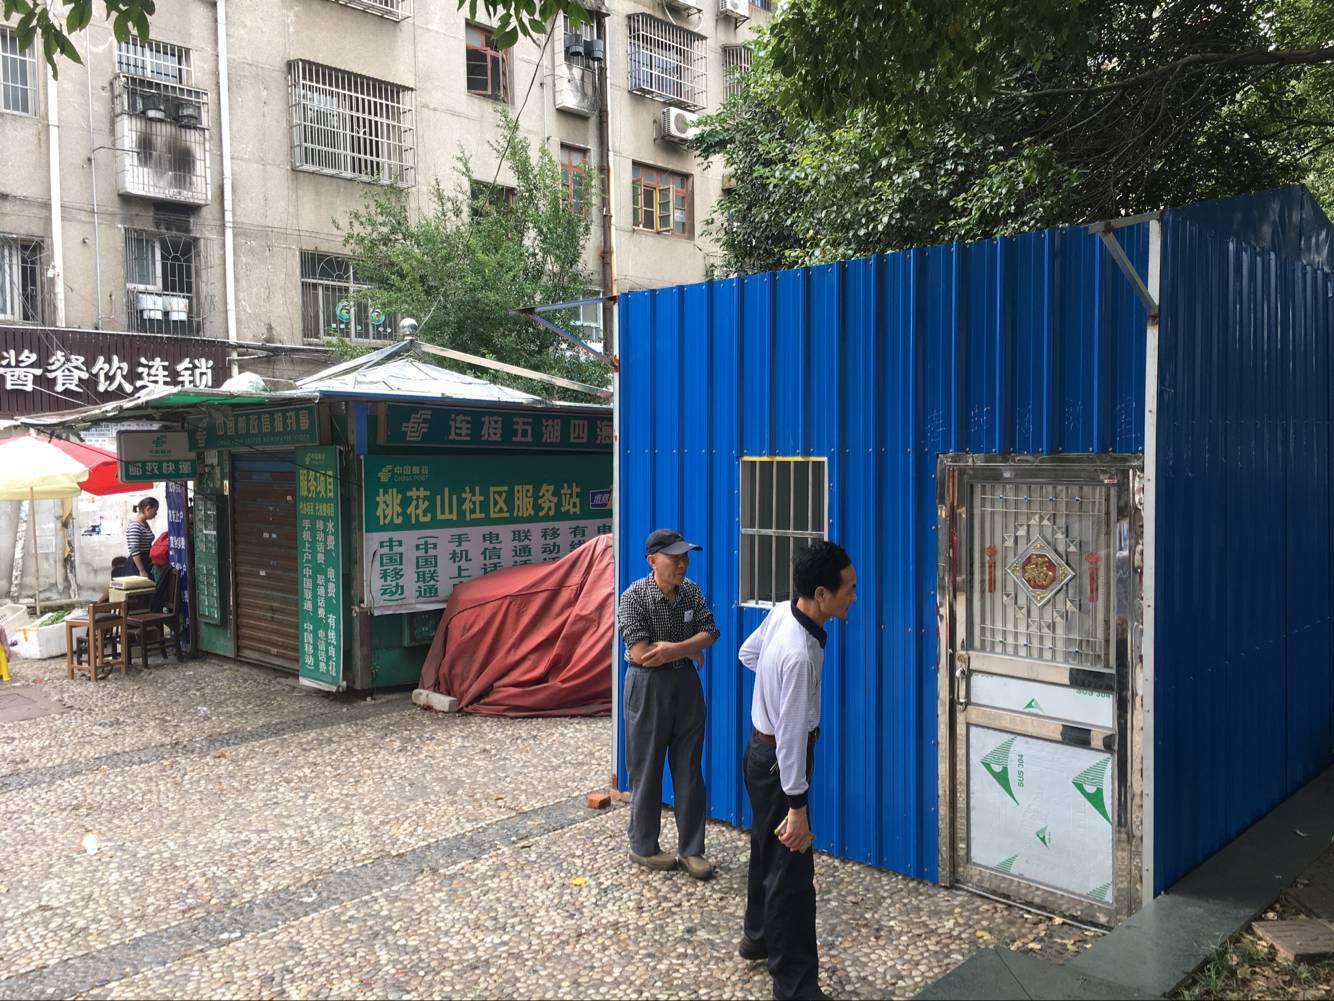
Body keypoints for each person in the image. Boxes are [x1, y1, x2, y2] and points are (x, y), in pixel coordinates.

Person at [737, 541, 857, 1001]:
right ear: (822, 595)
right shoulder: (800, 655)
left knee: (766, 849)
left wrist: (772, 689)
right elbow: (791, 740)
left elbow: (748, 654)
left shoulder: (783, 614)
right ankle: (795, 986)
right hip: (780, 764)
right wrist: (797, 805)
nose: (854, 597)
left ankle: (758, 937)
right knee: (792, 874)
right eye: (848, 589)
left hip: (758, 752)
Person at [617, 528, 720, 879]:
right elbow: (641, 653)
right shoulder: (634, 597)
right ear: (652, 560)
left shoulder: (691, 591)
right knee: (646, 768)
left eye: (685, 557)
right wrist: (690, 649)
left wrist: (676, 649)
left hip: (686, 686)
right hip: (647, 687)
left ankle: (692, 850)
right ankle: (643, 845)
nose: (682, 564)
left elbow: (710, 631)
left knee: (689, 769)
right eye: (674, 558)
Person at [126, 497, 159, 579]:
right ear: (148, 508)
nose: (156, 514)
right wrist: (141, 570)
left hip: (146, 561)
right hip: (138, 564)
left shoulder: (144, 523)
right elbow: (134, 549)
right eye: (155, 510)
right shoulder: (135, 525)